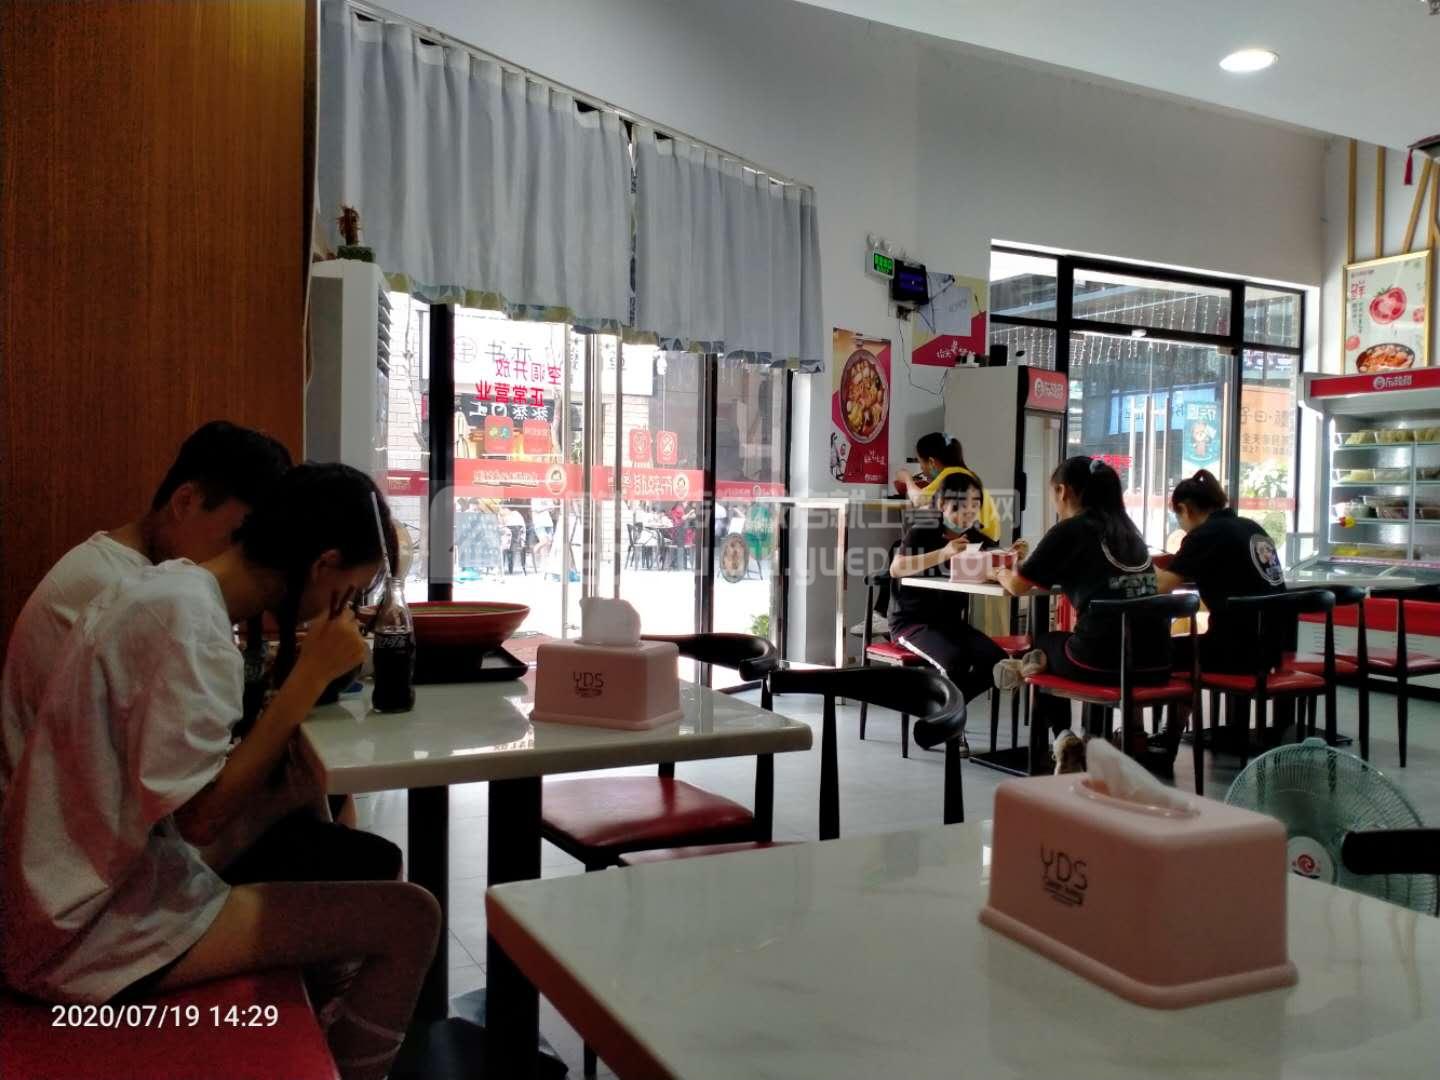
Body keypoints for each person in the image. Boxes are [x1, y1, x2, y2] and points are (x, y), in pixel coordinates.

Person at [0, 464, 439, 1080]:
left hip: (63, 895)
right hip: (85, 936)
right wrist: (311, 674)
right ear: (324, 565)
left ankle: (320, 1029)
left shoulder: (172, 589)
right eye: (353, 590)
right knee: (412, 917)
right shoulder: (190, 626)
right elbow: (201, 819)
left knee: (316, 823)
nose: (348, 608)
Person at [0, 421, 292, 796]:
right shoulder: (128, 589)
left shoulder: (130, 570)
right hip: (60, 811)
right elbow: (192, 805)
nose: (240, 557)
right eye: (236, 537)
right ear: (185, 502)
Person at [994, 456, 1170, 773]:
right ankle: (1090, 740)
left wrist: (997, 572)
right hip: (1155, 662)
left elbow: (1019, 585)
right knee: (1058, 645)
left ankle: (1063, 737)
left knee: (1040, 646)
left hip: (1102, 661)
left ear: (1063, 491)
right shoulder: (1129, 531)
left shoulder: (1070, 530)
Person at [887, 473, 1018, 750]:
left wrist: (1015, 554)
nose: (969, 513)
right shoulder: (923, 528)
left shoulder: (973, 537)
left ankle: (942, 714)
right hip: (911, 622)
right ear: (942, 504)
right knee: (954, 661)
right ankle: (952, 729)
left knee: (997, 661)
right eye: (962, 506)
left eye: (975, 506)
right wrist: (944, 553)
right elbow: (896, 569)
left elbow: (996, 559)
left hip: (950, 622)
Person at [1156, 469, 1288, 675]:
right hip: (1273, 649)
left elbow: (1161, 585)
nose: (1181, 526)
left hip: (1235, 652)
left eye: (1177, 516)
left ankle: (1181, 697)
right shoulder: (1252, 527)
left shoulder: (1205, 534)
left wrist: (1141, 559)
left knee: (1155, 653)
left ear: (1183, 509)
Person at [895, 432, 1001, 540]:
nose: (921, 468)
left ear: (931, 462)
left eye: (920, 462)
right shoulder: (967, 474)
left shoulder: (949, 475)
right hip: (990, 539)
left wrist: (907, 478)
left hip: (975, 539)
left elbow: (918, 500)